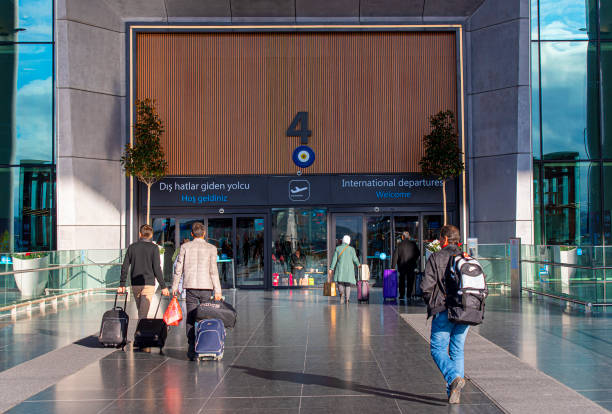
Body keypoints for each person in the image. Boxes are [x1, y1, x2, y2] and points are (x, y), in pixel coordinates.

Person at [420, 224, 468, 404]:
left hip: (443, 309)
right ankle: (454, 393)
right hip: (465, 311)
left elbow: (426, 286)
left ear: (445, 239)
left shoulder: (436, 257)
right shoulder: (466, 257)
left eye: (440, 239)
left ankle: (453, 377)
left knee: (438, 349)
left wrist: (432, 303)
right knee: (457, 350)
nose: (439, 242)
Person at [172, 222, 222, 360]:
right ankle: (206, 344)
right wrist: (218, 290)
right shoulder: (212, 248)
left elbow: (178, 269)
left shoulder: (185, 247)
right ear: (204, 233)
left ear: (192, 234)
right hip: (207, 288)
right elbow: (213, 271)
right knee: (206, 317)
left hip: (191, 287)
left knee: (191, 317)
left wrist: (175, 286)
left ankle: (191, 347)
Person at [119, 224, 170, 350]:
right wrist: (163, 286)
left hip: (135, 284)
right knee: (143, 313)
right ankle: (141, 338)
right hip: (148, 284)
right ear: (151, 235)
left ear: (140, 234)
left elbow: (125, 266)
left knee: (142, 311)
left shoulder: (132, 247)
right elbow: (157, 268)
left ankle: (140, 337)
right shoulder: (154, 248)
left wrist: (122, 284)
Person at [329, 235, 360, 304]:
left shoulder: (338, 248)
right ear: (349, 241)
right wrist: (359, 265)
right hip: (349, 269)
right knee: (347, 284)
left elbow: (334, 259)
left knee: (340, 283)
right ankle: (347, 299)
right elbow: (355, 259)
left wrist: (331, 268)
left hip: (340, 268)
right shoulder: (352, 249)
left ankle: (342, 294)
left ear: (342, 240)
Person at [392, 231, 420, 301]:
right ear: (409, 236)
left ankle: (401, 295)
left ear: (402, 237)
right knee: (410, 280)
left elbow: (395, 256)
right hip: (411, 265)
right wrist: (414, 260)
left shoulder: (399, 245)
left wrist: (392, 267)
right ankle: (409, 295)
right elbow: (418, 253)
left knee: (402, 280)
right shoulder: (413, 244)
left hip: (402, 266)